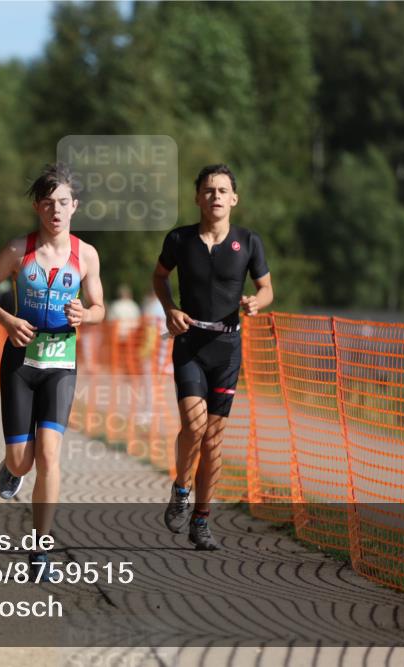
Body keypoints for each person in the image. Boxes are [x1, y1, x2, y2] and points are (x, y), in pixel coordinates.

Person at [0, 163, 105, 580]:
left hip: (61, 364)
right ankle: (11, 467)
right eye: (48, 203)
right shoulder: (17, 251)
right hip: (21, 363)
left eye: (63, 202)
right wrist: (8, 321)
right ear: (37, 208)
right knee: (23, 461)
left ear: (74, 206)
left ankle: (41, 549)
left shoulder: (86, 255)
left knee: (49, 456)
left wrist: (86, 313)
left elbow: (99, 308)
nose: (56, 211)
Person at [152, 164, 273, 550]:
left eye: (222, 191)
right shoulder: (180, 239)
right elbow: (159, 277)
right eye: (208, 190)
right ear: (197, 198)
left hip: (227, 349)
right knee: (194, 424)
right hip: (190, 342)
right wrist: (170, 308)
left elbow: (267, 288)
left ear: (234, 199)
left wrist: (257, 302)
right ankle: (181, 488)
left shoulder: (248, 241)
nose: (216, 196)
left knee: (214, 440)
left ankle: (202, 520)